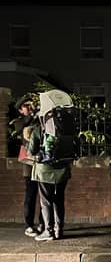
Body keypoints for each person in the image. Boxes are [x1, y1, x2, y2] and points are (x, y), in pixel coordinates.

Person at [27, 93, 78, 241]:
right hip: (63, 169)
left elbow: (31, 151)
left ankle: (48, 231)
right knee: (59, 200)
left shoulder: (39, 129)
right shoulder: (66, 126)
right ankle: (59, 229)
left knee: (46, 201)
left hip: (45, 171)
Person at [11, 95, 44, 237]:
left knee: (44, 194)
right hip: (28, 164)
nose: (30, 107)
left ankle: (44, 222)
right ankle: (29, 224)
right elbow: (21, 129)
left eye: (30, 105)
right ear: (20, 110)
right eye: (26, 106)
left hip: (41, 161)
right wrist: (32, 116)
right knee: (30, 195)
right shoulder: (18, 122)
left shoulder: (37, 120)